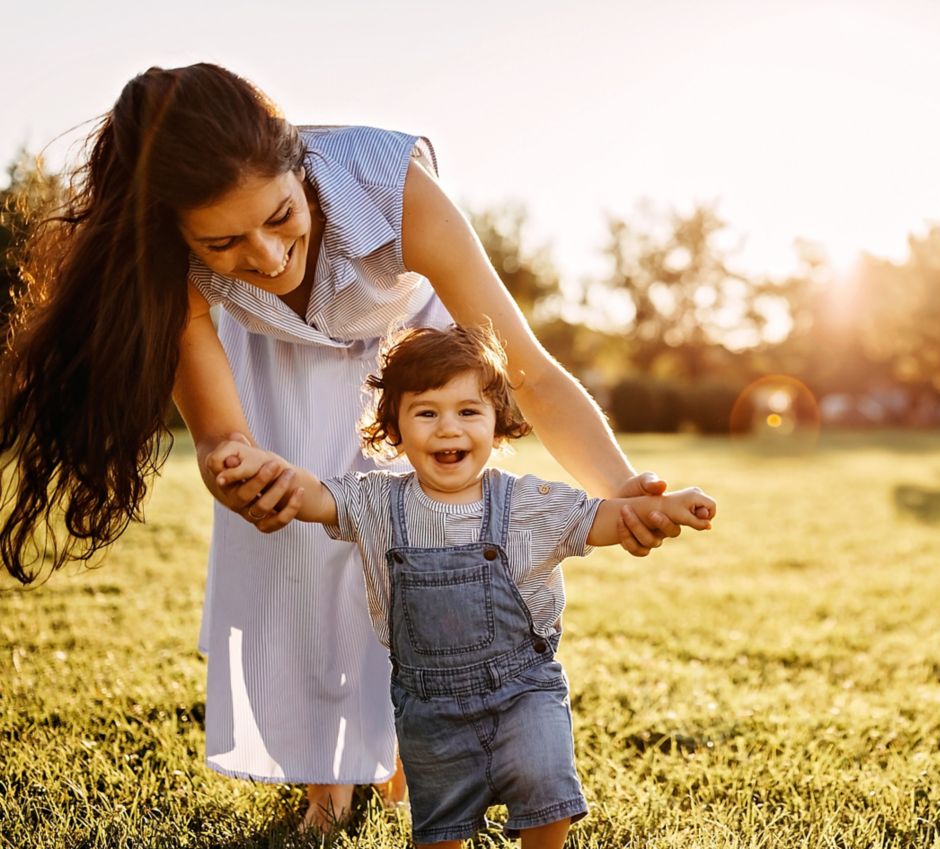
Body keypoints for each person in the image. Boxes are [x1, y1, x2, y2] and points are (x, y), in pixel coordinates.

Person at [0, 63, 698, 829]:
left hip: (408, 345)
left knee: (426, 537)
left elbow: (524, 369)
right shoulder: (165, 264)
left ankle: (400, 733)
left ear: (300, 169)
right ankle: (325, 775)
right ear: (176, 232)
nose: (266, 257)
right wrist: (233, 467)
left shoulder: (392, 185)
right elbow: (221, 434)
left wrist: (621, 483)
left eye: (280, 216)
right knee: (302, 551)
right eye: (224, 241)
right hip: (275, 353)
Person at [208, 324, 716, 848]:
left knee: (545, 789)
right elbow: (317, 498)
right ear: (394, 430)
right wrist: (273, 472)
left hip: (525, 689)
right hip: (430, 706)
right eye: (426, 412)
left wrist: (664, 505)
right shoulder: (378, 503)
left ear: (498, 424)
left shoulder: (527, 502)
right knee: (442, 822)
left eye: (468, 411)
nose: (448, 428)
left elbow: (599, 518)